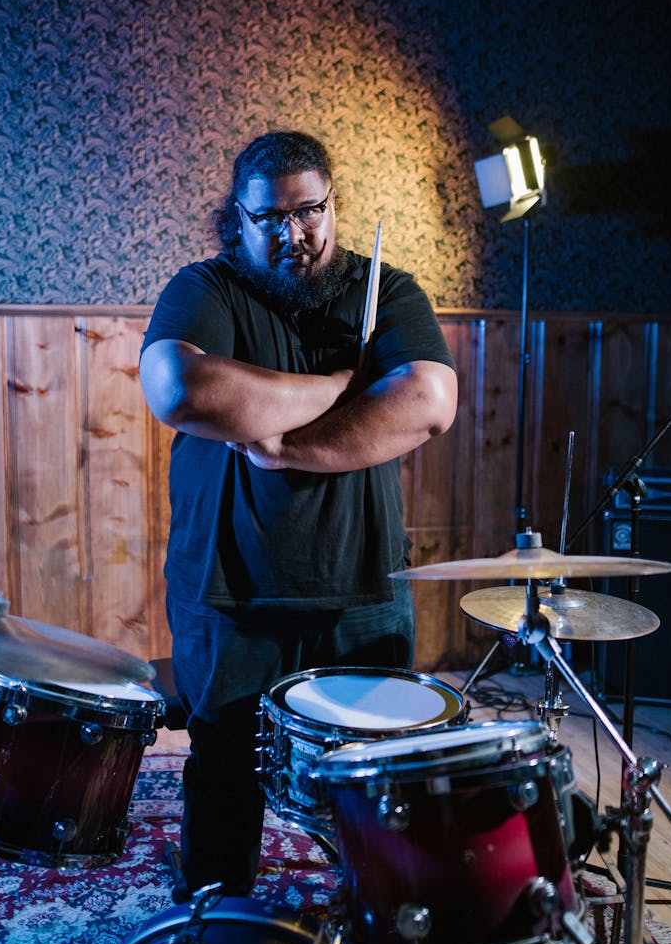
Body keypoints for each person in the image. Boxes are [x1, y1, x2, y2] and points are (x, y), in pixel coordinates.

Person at [140, 130, 458, 898]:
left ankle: (376, 941)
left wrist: (283, 445)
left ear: (333, 204)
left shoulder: (388, 289)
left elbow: (429, 402)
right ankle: (214, 935)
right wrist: (349, 385)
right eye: (269, 218)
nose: (292, 232)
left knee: (376, 783)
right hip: (228, 584)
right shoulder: (206, 288)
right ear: (237, 221)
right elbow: (180, 390)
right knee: (224, 772)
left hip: (360, 586)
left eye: (308, 210)